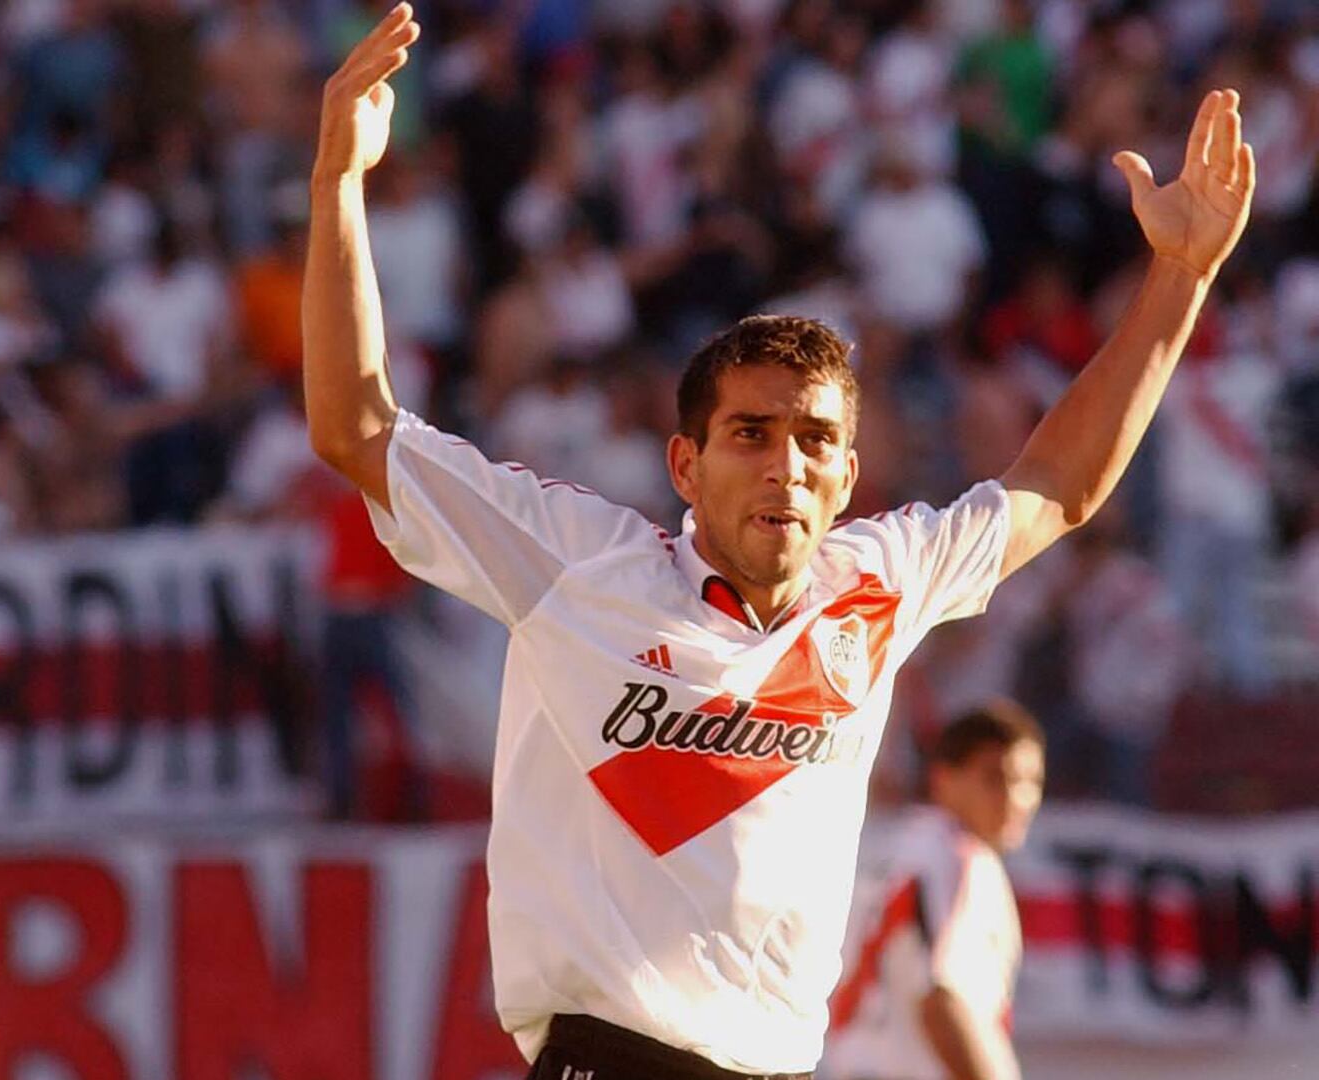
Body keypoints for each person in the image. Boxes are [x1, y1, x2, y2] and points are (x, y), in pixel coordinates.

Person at [303, 5, 1254, 1077]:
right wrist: (337, 181)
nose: (784, 465)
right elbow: (358, 429)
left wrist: (1180, 277)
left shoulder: (878, 584)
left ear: (848, 476)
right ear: (683, 466)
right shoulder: (581, 565)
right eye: (749, 434)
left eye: (813, 442)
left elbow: (1056, 488)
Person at [823, 702, 1046, 1080]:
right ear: (942, 779)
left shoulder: (900, 847)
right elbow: (942, 1002)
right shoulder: (956, 856)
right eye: (995, 778)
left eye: (1031, 782)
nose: (1016, 798)